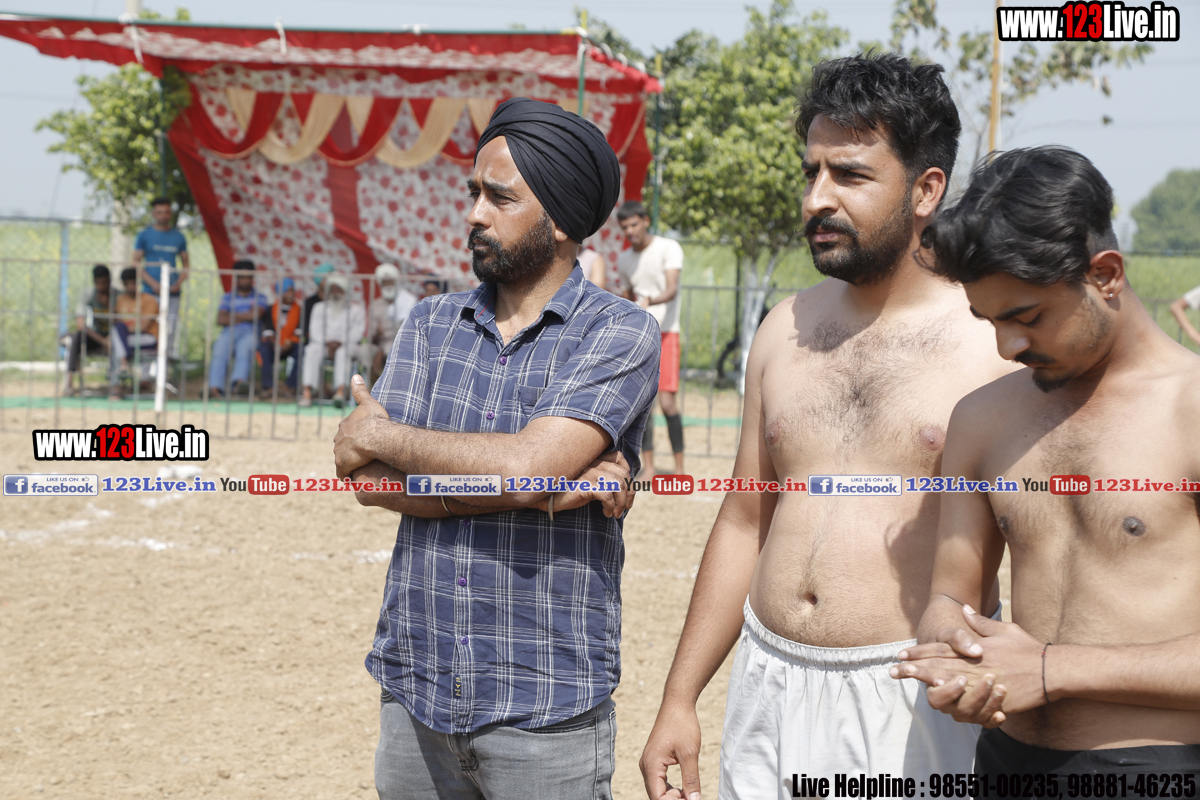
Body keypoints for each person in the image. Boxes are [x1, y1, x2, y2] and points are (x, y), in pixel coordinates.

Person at [640, 53, 1016, 800]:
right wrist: (680, 697)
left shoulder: (994, 346)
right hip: (768, 684)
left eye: (848, 174)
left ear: (926, 190)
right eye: (810, 172)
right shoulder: (784, 330)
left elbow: (1043, 544)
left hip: (911, 696)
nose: (817, 198)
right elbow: (744, 519)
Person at [333, 97, 660, 800]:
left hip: (545, 707)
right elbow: (368, 481)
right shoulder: (431, 323)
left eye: (499, 197)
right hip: (415, 693)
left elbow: (523, 467)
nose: (474, 214)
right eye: (473, 193)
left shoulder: (619, 332)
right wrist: (534, 490)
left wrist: (387, 437)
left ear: (562, 219)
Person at [892, 146, 1200, 777]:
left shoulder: (1190, 410)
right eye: (988, 321)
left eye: (1027, 317)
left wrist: (1050, 669)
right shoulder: (981, 418)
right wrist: (953, 653)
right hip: (1003, 764)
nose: (1007, 346)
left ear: (1106, 275)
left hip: (1157, 768)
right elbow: (950, 594)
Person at [616, 201, 685, 475]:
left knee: (667, 403)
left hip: (666, 333)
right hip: (640, 336)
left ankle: (679, 469)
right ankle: (650, 467)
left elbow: (671, 290)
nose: (630, 231)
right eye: (625, 227)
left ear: (645, 221)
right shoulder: (624, 259)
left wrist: (648, 301)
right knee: (643, 405)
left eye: (634, 224)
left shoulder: (669, 248)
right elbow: (628, 297)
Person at [132, 197, 189, 359]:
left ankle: (165, 365)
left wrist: (178, 283)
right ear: (153, 213)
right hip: (150, 292)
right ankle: (146, 367)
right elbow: (135, 263)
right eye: (159, 212)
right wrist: (153, 284)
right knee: (148, 327)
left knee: (170, 328)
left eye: (166, 212)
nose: (163, 216)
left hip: (173, 294)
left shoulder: (179, 237)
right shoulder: (144, 236)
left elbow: (186, 265)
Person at [300, 273, 367, 408]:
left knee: (342, 352)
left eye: (338, 289)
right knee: (311, 350)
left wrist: (340, 343)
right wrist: (328, 343)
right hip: (323, 344)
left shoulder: (356, 309)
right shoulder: (319, 307)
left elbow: (357, 332)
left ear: (345, 290)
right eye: (332, 289)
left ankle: (340, 392)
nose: (335, 292)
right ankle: (307, 392)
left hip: (347, 345)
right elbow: (314, 330)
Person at [208, 259, 269, 398]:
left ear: (252, 278)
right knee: (219, 350)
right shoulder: (227, 297)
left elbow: (255, 315)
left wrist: (231, 315)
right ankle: (215, 389)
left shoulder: (260, 297)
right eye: (242, 277)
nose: (245, 280)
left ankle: (239, 385)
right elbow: (220, 319)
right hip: (228, 332)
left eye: (248, 277)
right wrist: (246, 315)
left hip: (250, 332)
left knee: (244, 349)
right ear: (236, 278)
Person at [63, 264, 115, 397]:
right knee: (77, 337)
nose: (101, 287)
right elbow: (80, 324)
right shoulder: (88, 294)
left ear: (110, 281)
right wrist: (102, 340)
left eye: (104, 283)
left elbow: (122, 322)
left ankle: (115, 384)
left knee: (117, 339)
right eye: (98, 283)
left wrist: (108, 304)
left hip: (115, 335)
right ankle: (69, 382)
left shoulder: (117, 295)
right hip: (98, 335)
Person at [112, 266, 161, 400]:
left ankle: (118, 382)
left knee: (117, 335)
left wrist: (124, 330)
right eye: (127, 284)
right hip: (127, 341)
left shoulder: (148, 300)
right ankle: (123, 364)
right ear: (123, 285)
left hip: (147, 338)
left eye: (133, 283)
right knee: (116, 334)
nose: (131, 287)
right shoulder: (120, 300)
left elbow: (143, 326)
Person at [367, 263, 418, 384]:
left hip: (400, 341)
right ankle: (369, 386)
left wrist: (382, 350)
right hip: (379, 343)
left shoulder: (408, 301)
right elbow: (371, 335)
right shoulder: (375, 305)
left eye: (390, 281)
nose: (388, 285)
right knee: (364, 351)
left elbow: (410, 330)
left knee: (391, 348)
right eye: (385, 282)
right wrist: (377, 336)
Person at [258, 277, 302, 397]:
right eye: (287, 291)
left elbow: (299, 332)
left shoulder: (300, 310)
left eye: (292, 290)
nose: (291, 294)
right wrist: (276, 344)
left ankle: (290, 386)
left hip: (291, 344)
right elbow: (268, 331)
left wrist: (289, 342)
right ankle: (269, 386)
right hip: (274, 344)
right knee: (264, 349)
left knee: (301, 350)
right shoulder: (270, 309)